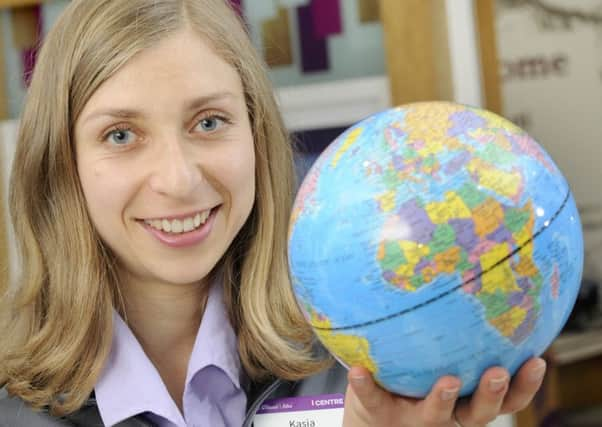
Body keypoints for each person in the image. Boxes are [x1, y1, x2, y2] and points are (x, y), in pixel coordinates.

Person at [0, 0, 547, 426]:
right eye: (121, 135)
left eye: (209, 122)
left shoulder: (369, 359)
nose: (179, 179)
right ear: (61, 163)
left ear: (257, 135)